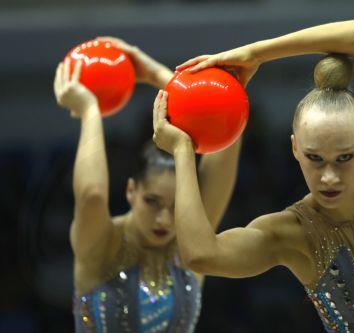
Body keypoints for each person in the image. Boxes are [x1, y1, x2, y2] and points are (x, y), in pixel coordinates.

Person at [153, 19, 354, 332]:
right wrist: (182, 151)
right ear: (295, 149)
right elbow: (201, 256)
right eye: (315, 159)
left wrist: (256, 53)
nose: (328, 176)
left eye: (344, 158)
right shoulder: (294, 234)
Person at [53, 37, 242, 333]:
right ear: (131, 190)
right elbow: (91, 195)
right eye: (152, 201)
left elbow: (223, 125)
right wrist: (90, 110)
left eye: (176, 207)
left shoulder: (191, 246)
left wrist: (157, 75)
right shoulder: (104, 244)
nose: (164, 219)